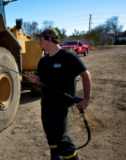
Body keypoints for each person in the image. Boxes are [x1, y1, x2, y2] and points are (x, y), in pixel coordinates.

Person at [28, 28, 92, 160]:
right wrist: (36, 78)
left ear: (50, 39)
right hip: (45, 105)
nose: (39, 43)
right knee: (50, 136)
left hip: (59, 106)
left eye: (41, 39)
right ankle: (55, 157)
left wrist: (86, 99)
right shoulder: (43, 60)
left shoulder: (68, 56)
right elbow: (42, 77)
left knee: (60, 137)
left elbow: (86, 75)